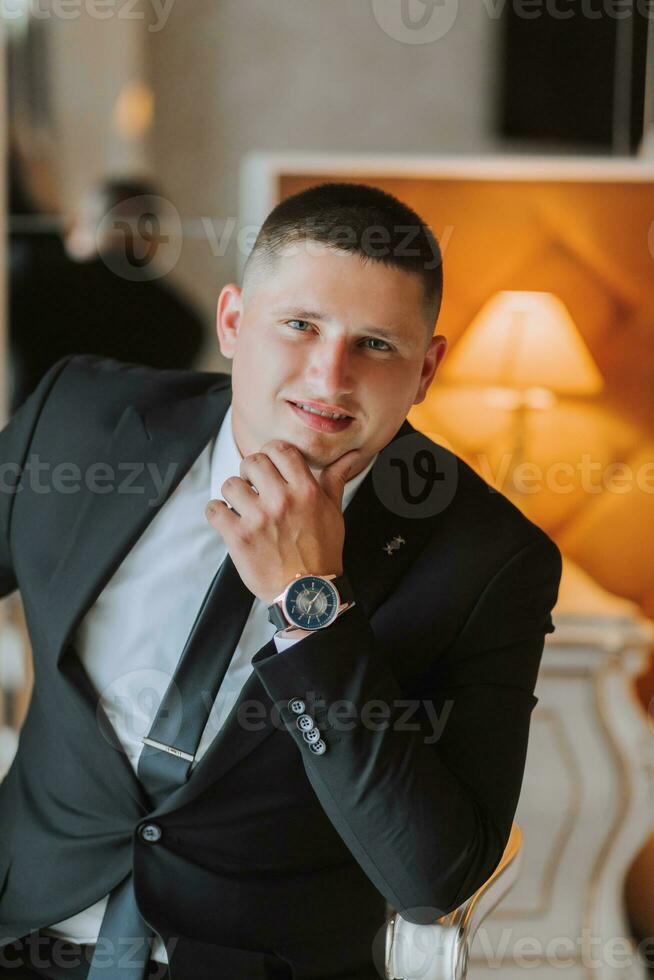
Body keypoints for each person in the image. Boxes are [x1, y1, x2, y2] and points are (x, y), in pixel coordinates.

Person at [0, 182, 562, 980]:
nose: (329, 378)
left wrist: (312, 609)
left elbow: (434, 879)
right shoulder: (78, 422)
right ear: (233, 322)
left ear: (428, 368)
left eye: (376, 345)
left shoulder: (492, 559)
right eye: (299, 326)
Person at [9, 177, 205, 414]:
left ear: (85, 224)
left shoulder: (38, 285)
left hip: (35, 442)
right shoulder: (184, 323)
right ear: (155, 239)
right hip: (124, 450)